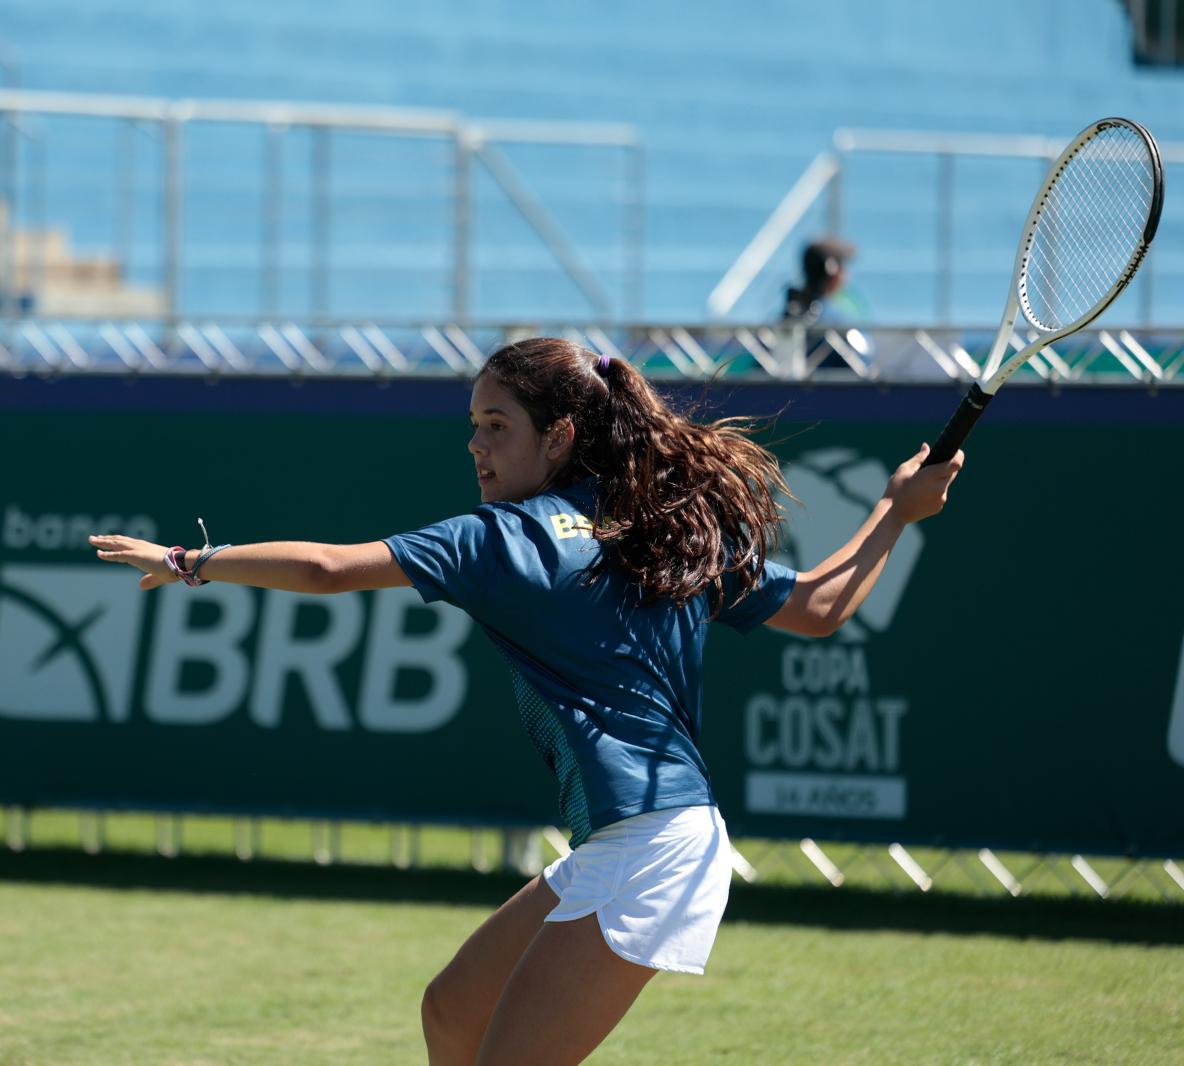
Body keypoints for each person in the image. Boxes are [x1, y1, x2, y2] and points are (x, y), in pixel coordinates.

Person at [88, 337, 962, 1066]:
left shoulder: (506, 538)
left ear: (562, 436)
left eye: (497, 426)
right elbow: (819, 606)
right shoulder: (658, 525)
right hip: (641, 841)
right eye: (473, 425)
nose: (477, 445)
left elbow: (326, 568)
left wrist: (188, 561)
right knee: (452, 1013)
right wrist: (894, 510)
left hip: (652, 846)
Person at [783, 236, 859, 326]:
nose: (845, 274)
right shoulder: (833, 318)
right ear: (832, 270)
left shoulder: (792, 310)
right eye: (841, 266)